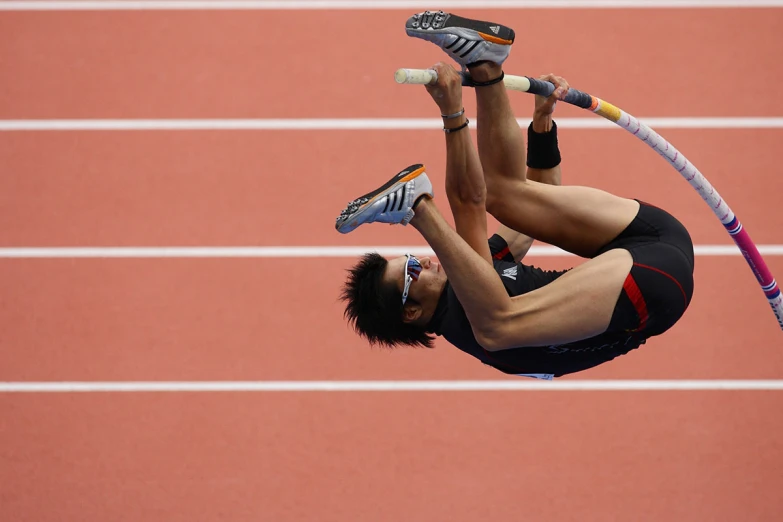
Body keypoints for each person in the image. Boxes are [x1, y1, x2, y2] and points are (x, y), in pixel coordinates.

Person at [335, 11, 694, 379]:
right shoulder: (468, 315)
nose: (425, 262)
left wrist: (542, 127)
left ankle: (485, 63)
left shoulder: (476, 279)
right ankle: (417, 208)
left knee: (505, 197)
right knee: (495, 330)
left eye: (414, 258)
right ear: (411, 312)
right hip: (650, 279)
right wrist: (451, 112)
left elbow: (534, 206)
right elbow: (467, 203)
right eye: (412, 270)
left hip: (657, 249)